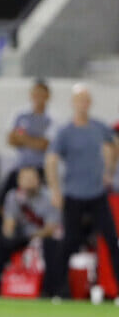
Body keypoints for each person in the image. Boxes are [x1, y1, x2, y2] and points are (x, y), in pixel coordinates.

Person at [45, 84, 119, 300]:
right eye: (80, 100)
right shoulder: (65, 132)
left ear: (90, 103)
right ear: (73, 103)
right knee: (69, 242)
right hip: (74, 194)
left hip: (97, 194)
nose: (83, 104)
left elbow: (112, 146)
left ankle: (116, 291)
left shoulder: (98, 127)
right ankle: (58, 290)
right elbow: (51, 160)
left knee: (111, 240)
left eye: (86, 100)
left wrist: (109, 170)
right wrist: (55, 191)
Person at [0, 166, 62, 297]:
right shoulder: (13, 196)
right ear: (18, 181)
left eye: (31, 178)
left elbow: (51, 228)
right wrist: (9, 237)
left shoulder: (50, 197)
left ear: (39, 180)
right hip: (23, 237)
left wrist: (33, 237)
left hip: (43, 236)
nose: (28, 181)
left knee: (51, 245)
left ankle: (48, 290)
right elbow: (8, 224)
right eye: (25, 178)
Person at [1, 79, 52, 198]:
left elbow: (45, 145)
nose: (38, 97)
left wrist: (23, 139)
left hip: (41, 169)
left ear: (47, 96)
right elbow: (11, 140)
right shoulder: (21, 115)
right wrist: (34, 140)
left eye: (41, 94)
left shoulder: (51, 119)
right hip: (20, 166)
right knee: (2, 198)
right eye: (35, 93)